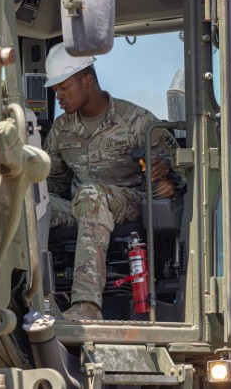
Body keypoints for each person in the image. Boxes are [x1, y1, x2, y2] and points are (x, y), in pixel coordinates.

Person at [43, 42, 179, 321]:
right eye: (56, 91)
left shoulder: (136, 120)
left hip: (129, 203)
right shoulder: (61, 129)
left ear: (88, 80)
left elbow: (182, 162)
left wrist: (167, 173)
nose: (60, 97)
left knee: (91, 195)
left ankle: (87, 306)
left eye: (65, 88)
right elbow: (51, 185)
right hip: (81, 205)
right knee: (28, 202)